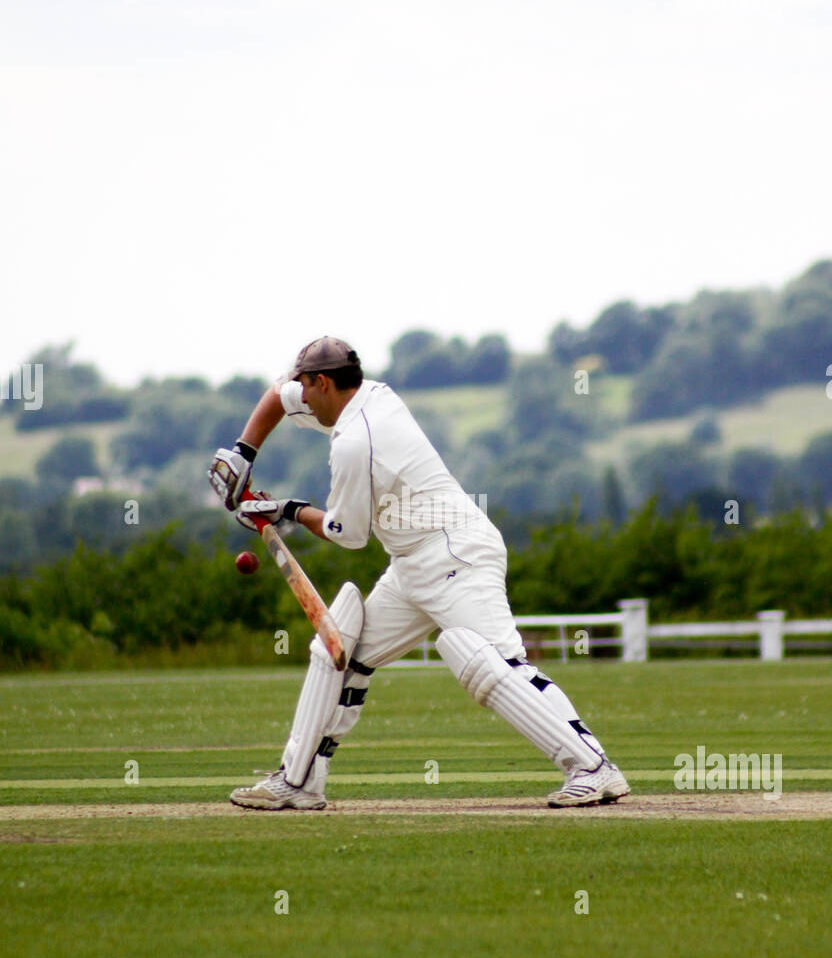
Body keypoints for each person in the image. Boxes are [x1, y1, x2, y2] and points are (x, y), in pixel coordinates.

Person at [208, 336, 629, 810]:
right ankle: (299, 780)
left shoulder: (355, 441)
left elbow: (348, 534)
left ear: (323, 383)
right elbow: (277, 396)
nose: (300, 397)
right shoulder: (371, 393)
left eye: (306, 388)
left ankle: (593, 767)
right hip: (410, 562)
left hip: (455, 553)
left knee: (496, 665)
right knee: (342, 655)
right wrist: (244, 452)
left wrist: (285, 508)